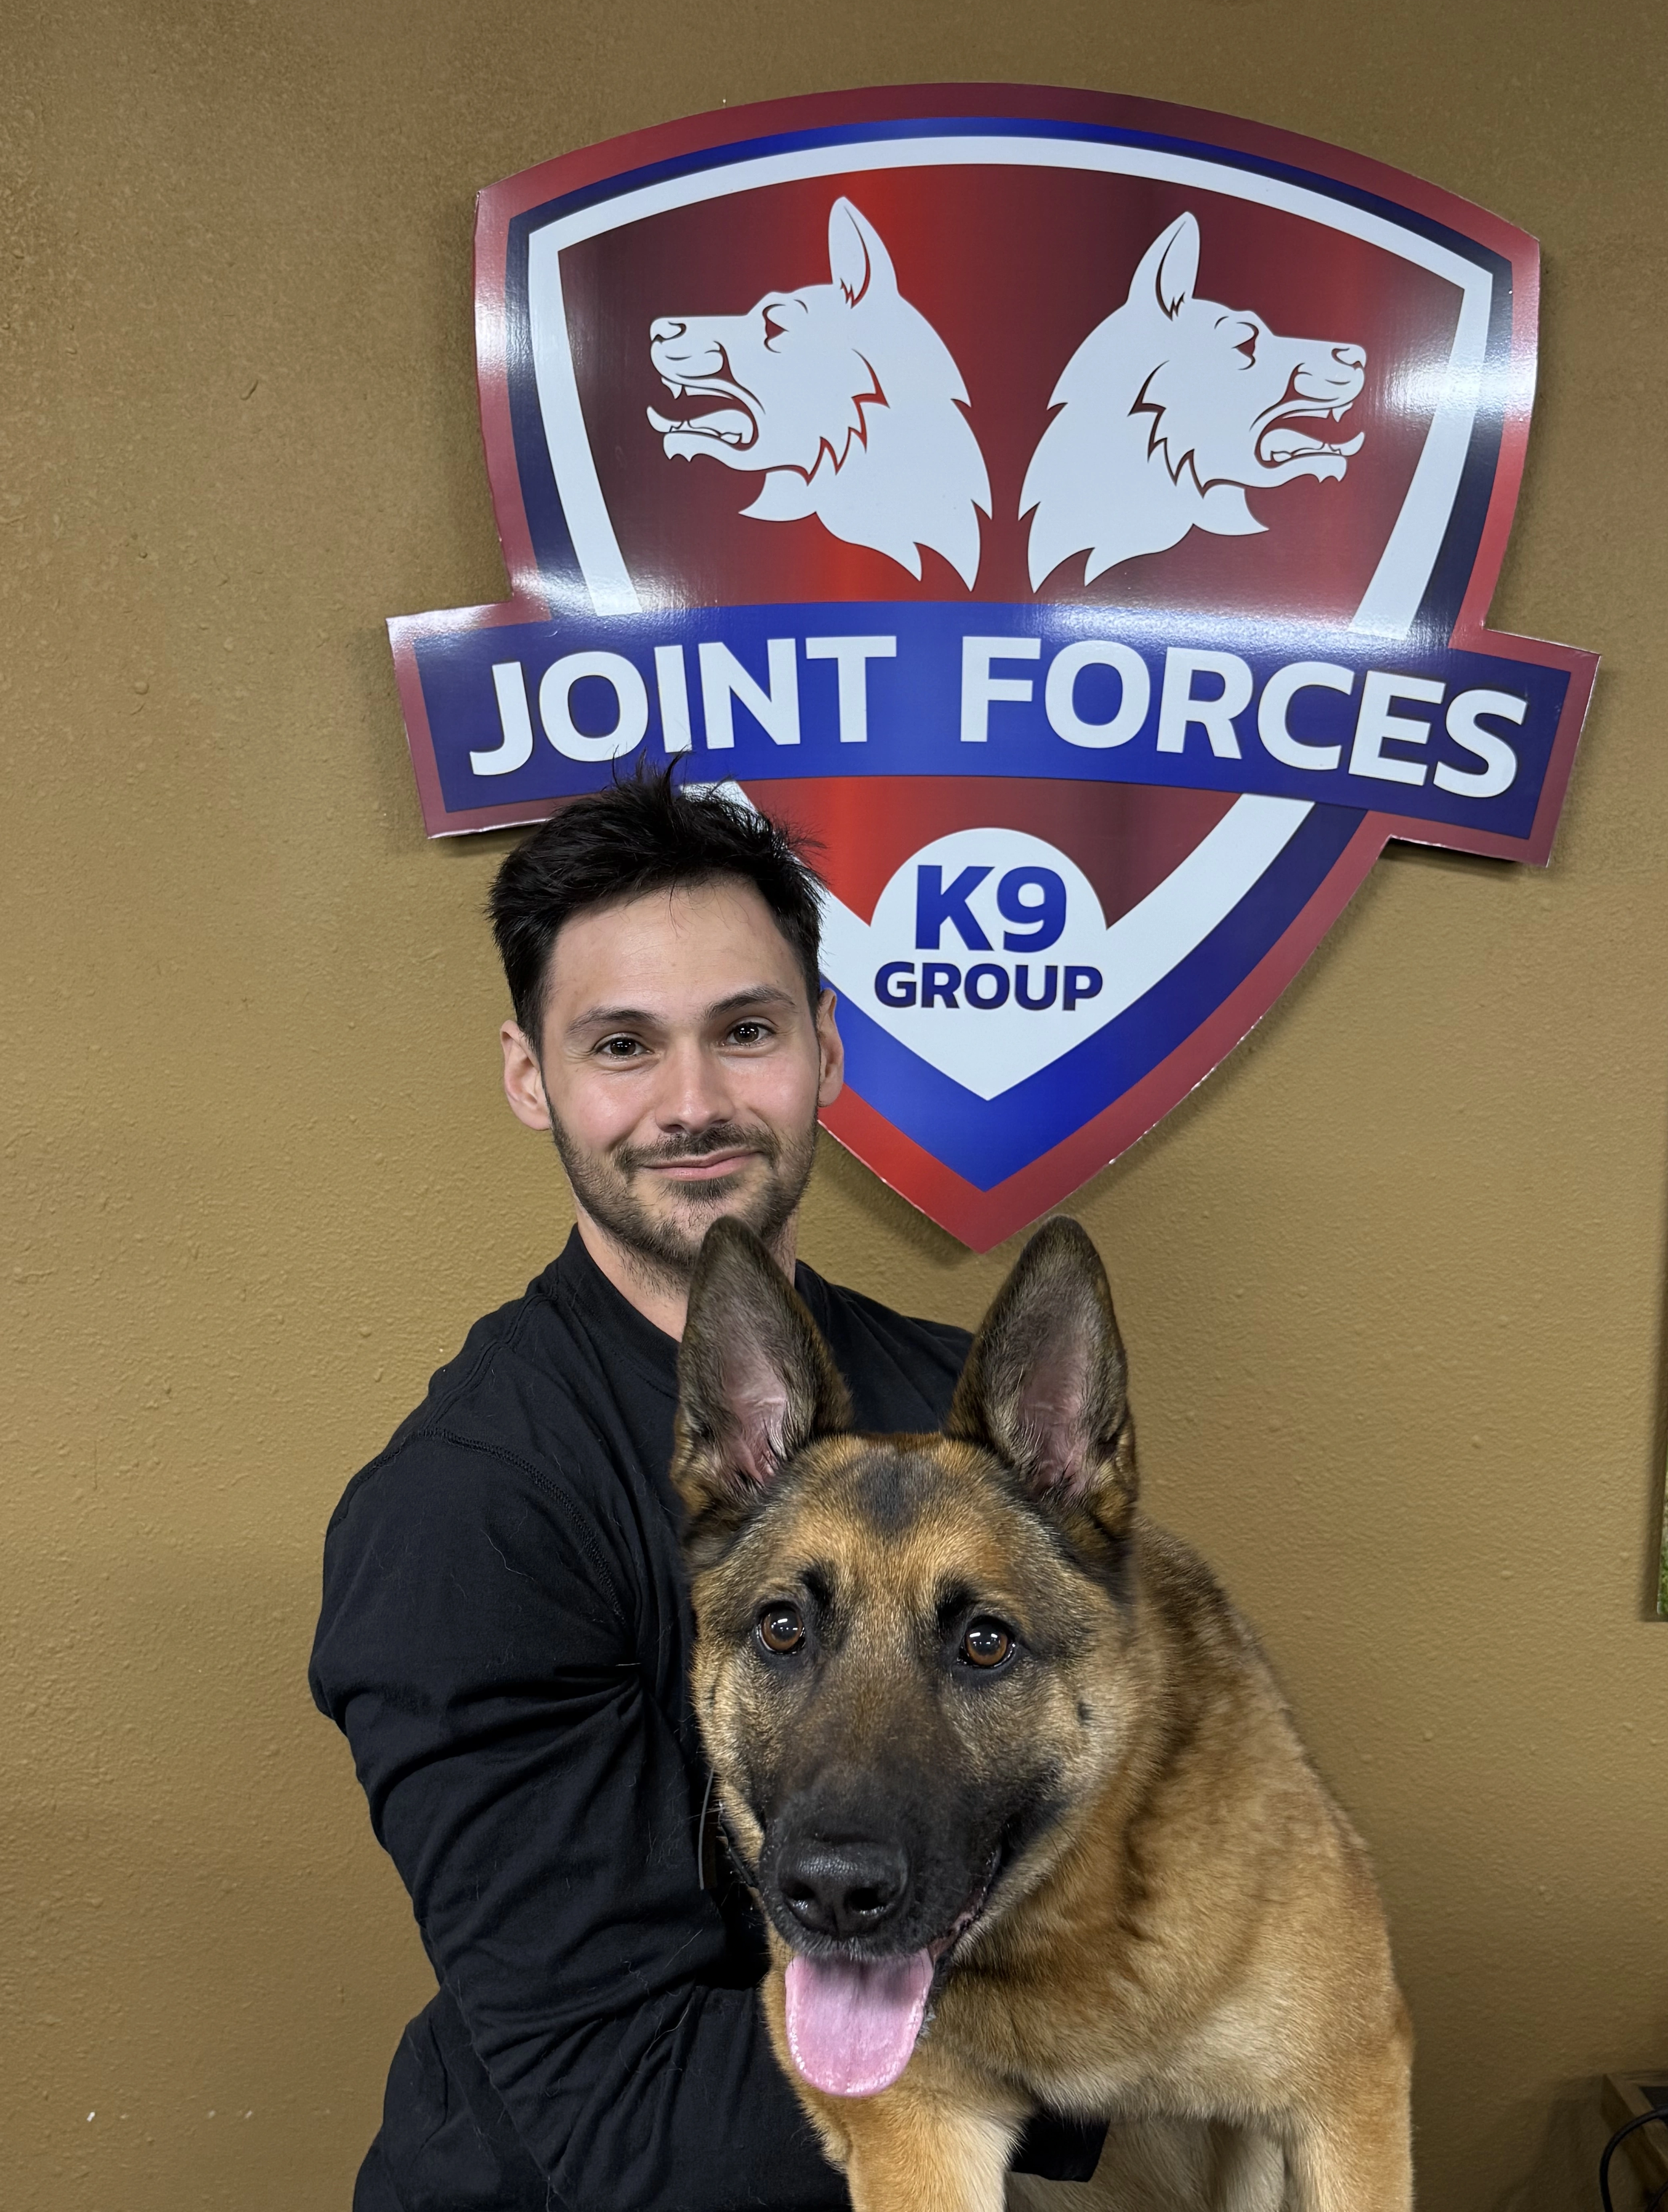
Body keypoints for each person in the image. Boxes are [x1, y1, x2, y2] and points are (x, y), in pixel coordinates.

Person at [310, 772, 1105, 2212]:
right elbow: (632, 2117)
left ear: (826, 1053)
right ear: (528, 1076)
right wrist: (1109, 2013)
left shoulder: (953, 1405)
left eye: (745, 1032)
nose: (693, 1104)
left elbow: (1096, 1807)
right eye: (622, 1045)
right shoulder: (465, 1517)